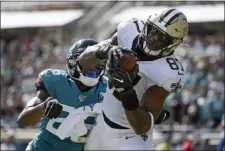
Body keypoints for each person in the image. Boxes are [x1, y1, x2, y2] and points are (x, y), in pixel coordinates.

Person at [77, 8, 188, 150]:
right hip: (100, 123)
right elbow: (83, 61)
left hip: (129, 137)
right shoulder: (130, 30)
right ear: (147, 26)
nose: (155, 39)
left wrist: (126, 90)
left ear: (173, 44)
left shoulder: (168, 72)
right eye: (155, 31)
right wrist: (105, 50)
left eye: (164, 38)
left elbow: (141, 126)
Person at [17, 39, 107, 150]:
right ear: (74, 61)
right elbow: (23, 122)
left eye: (98, 63)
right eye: (88, 62)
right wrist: (44, 106)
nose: (93, 67)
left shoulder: (107, 88)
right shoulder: (54, 81)